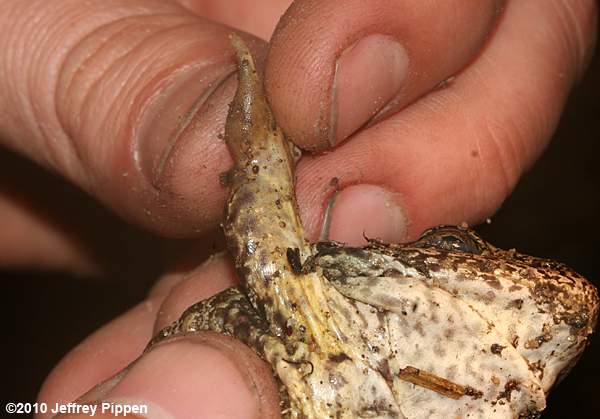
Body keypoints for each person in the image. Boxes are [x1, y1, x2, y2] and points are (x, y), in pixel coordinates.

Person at [0, 1, 594, 418]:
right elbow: (270, 252)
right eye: (448, 243)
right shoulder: (333, 314)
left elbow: (266, 243)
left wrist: (262, 151)